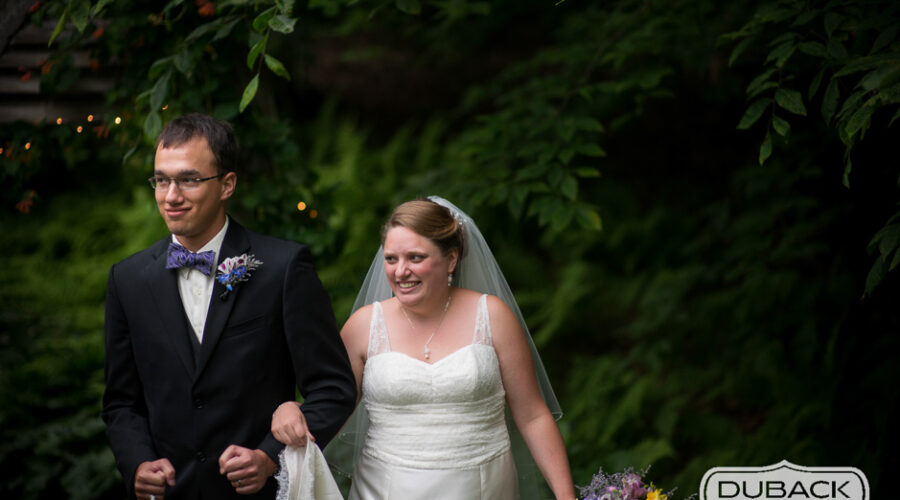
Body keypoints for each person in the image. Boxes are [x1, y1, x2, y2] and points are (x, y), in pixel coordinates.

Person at [102, 113, 357, 500]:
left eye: (188, 179)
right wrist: (136, 461)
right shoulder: (128, 279)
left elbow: (333, 389)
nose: (171, 195)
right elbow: (121, 401)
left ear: (227, 184)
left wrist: (272, 456)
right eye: (162, 179)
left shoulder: (283, 269)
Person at [272, 197, 577, 500]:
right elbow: (331, 409)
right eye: (391, 259)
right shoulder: (365, 325)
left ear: (452, 259)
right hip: (385, 489)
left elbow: (533, 416)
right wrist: (290, 409)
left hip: (483, 488)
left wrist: (566, 497)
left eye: (415, 258)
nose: (400, 271)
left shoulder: (493, 316)